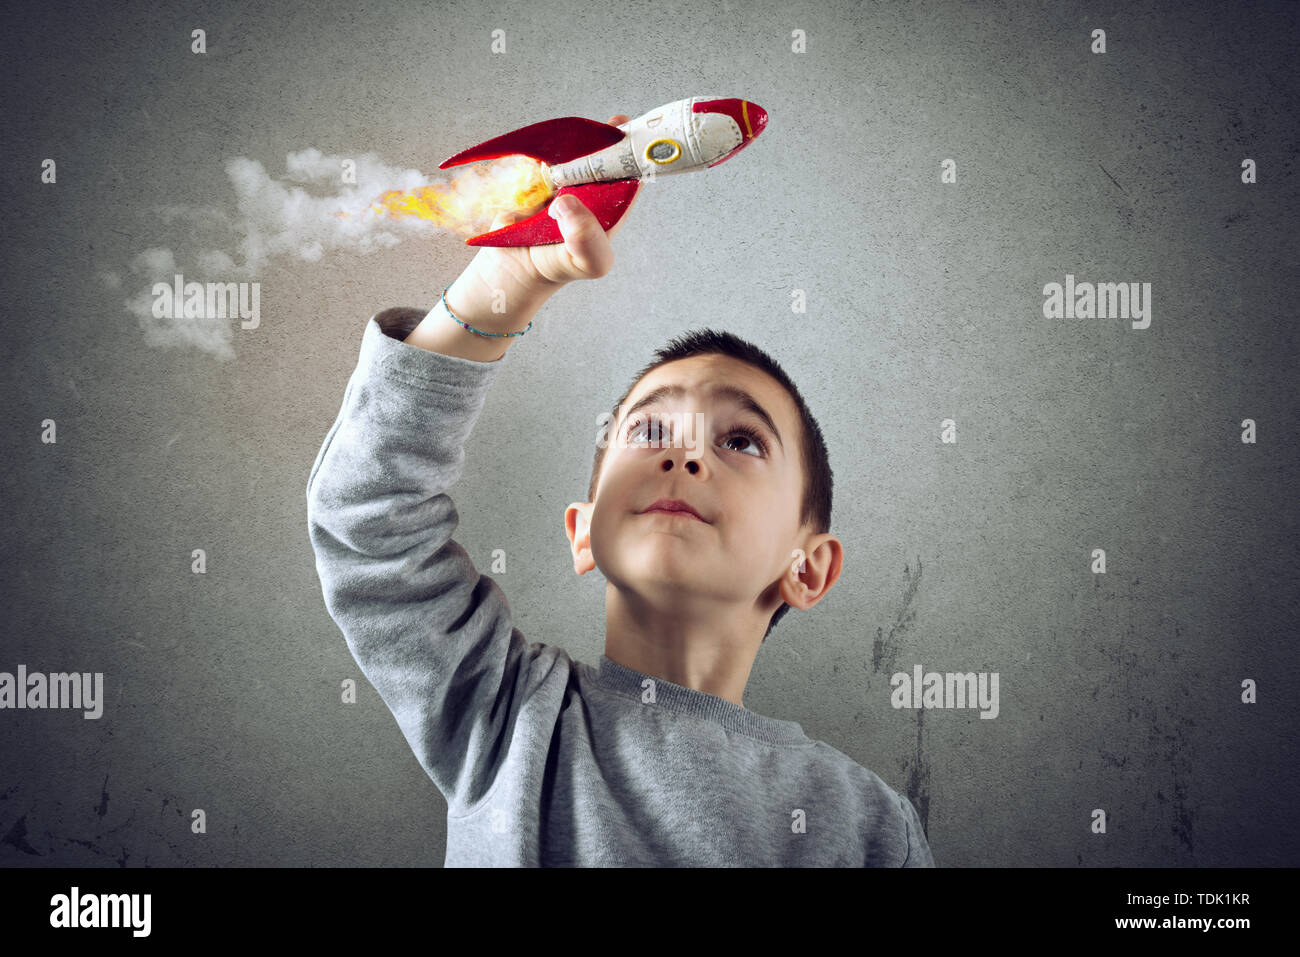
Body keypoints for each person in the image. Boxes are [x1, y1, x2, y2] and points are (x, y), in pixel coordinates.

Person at [306, 114, 935, 866]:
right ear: (583, 531)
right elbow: (370, 524)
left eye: (740, 440)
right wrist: (507, 281)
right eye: (648, 432)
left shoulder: (865, 821)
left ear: (809, 567)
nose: (684, 458)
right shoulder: (506, 712)